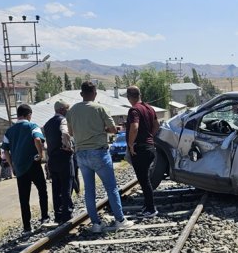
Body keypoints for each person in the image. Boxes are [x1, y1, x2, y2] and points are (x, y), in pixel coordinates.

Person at [66, 81, 133, 233]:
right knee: (111, 188)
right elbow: (111, 129)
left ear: (81, 94)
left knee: (89, 190)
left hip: (81, 154)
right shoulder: (100, 108)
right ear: (95, 93)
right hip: (99, 152)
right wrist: (102, 129)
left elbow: (70, 133)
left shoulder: (72, 111)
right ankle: (120, 220)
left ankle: (96, 224)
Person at [2, 104, 50, 236]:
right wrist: (40, 155)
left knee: (24, 198)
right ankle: (44, 217)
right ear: (29, 114)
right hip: (33, 164)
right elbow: (37, 139)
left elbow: (5, 150)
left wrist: (12, 166)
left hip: (19, 168)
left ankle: (27, 227)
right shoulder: (33, 126)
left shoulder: (9, 131)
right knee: (42, 190)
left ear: (18, 115)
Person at [125, 85, 160, 218]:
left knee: (144, 180)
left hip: (140, 148)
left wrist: (130, 144)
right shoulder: (149, 108)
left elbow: (134, 127)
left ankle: (150, 209)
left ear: (129, 97)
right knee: (145, 179)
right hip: (150, 147)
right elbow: (157, 125)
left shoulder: (134, 110)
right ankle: (147, 205)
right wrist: (149, 136)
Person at [44, 100, 74, 224]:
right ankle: (67, 213)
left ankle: (58, 214)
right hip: (63, 157)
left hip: (52, 158)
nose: (68, 111)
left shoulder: (47, 124)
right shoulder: (62, 120)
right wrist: (68, 146)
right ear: (62, 109)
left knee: (56, 188)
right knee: (66, 184)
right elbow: (65, 132)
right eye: (67, 109)